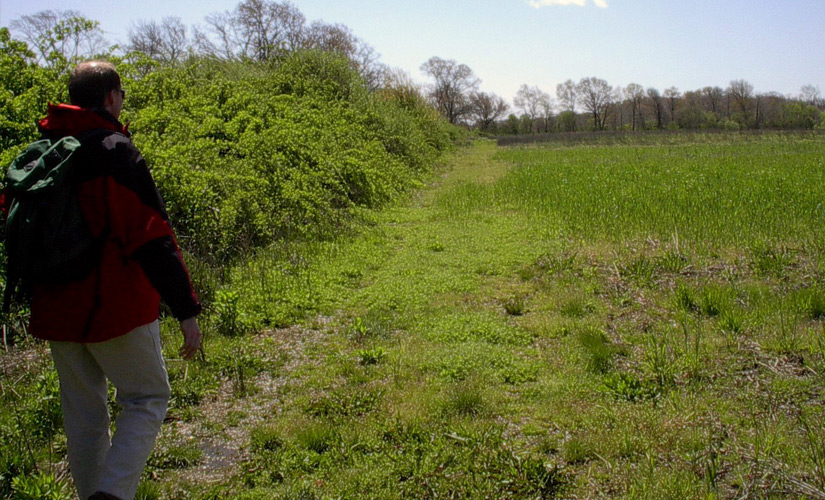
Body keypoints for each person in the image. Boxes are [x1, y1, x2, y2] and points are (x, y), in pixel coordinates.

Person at [29, 61, 202, 500]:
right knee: (147, 398)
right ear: (110, 97)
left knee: (84, 418)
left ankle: (95, 494)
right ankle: (112, 494)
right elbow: (152, 236)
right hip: (115, 308)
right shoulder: (114, 150)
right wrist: (186, 311)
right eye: (121, 94)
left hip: (54, 311)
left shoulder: (45, 152)